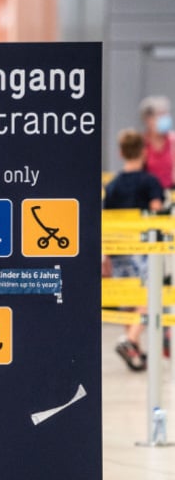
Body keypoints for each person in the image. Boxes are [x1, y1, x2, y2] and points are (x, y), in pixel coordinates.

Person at [103, 128, 165, 371]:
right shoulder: (150, 182)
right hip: (141, 249)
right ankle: (130, 340)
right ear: (144, 151)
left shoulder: (113, 185)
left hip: (117, 249)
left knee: (128, 302)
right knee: (151, 297)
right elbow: (156, 213)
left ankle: (133, 349)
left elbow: (106, 221)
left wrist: (106, 254)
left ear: (120, 153)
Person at [139, 95, 175, 191]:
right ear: (148, 120)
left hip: (171, 193)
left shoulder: (172, 141)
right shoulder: (142, 143)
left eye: (166, 114)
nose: (165, 118)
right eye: (160, 115)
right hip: (149, 194)